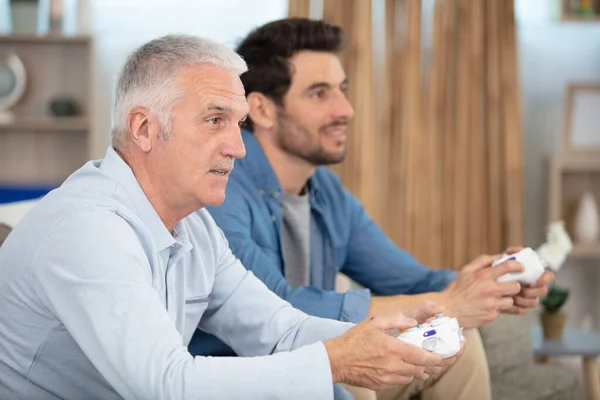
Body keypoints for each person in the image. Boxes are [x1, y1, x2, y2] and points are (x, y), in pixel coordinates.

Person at [0, 34, 454, 400]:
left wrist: (382, 337)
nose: (237, 148)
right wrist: (337, 361)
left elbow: (279, 329)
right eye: (215, 120)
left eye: (238, 124)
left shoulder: (194, 226)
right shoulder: (89, 229)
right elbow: (165, 386)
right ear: (143, 128)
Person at [188, 18, 555, 400]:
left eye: (341, 90)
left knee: (455, 342)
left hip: (316, 359)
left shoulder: (325, 191)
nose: (345, 109)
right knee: (353, 371)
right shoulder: (222, 188)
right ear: (261, 109)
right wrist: (448, 302)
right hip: (245, 377)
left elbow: (409, 281)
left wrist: (490, 283)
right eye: (319, 93)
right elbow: (278, 310)